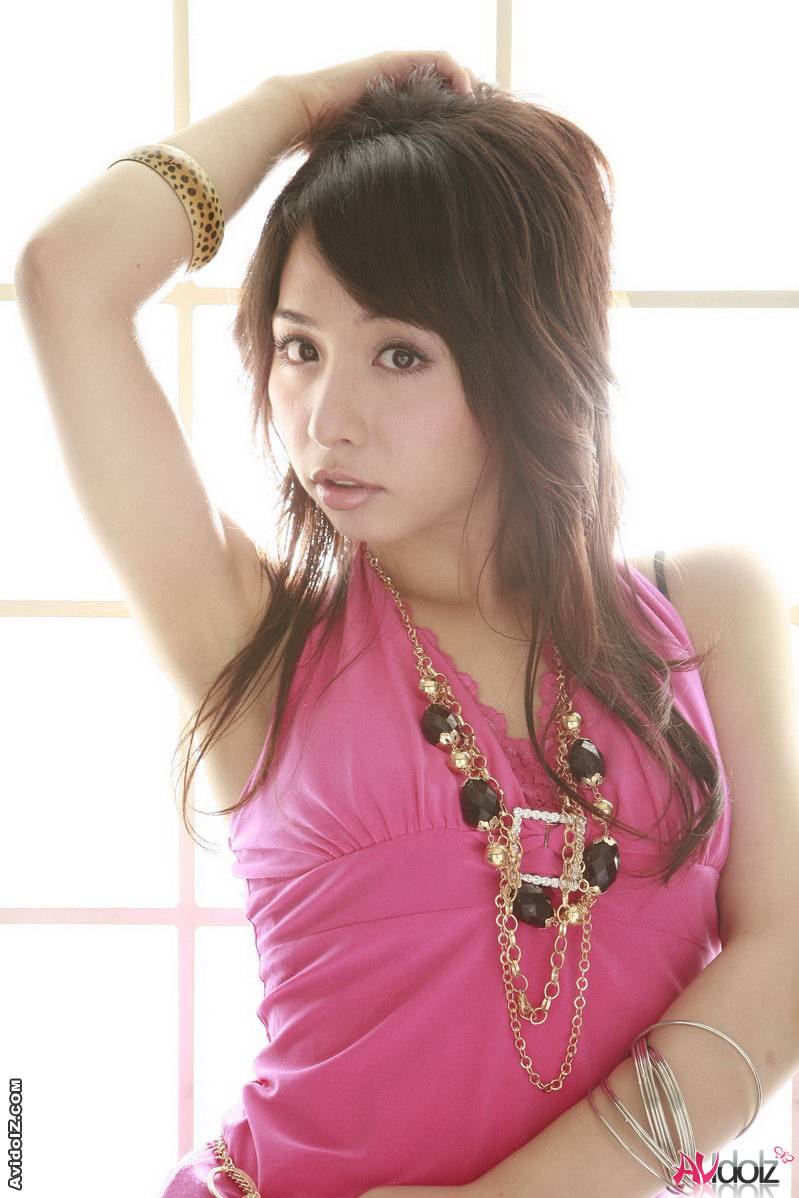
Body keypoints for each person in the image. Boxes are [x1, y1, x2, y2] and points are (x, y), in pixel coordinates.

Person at [14, 51, 742, 1198]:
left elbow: (783, 961)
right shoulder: (254, 641)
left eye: (399, 354)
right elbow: (66, 279)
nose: (325, 421)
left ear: (522, 358)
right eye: (299, 348)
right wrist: (293, 108)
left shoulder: (703, 614)